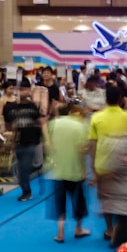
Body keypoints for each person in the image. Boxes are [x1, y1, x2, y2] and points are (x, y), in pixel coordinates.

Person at [89, 85, 127, 240]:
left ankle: (109, 229)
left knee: (106, 199)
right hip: (124, 165)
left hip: (103, 164)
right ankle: (120, 227)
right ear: (121, 99)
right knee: (123, 198)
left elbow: (92, 144)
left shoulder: (96, 117)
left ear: (105, 99)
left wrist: (93, 167)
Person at [47, 103, 91, 243]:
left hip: (58, 170)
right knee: (78, 200)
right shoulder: (80, 125)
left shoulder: (52, 124)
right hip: (74, 170)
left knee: (60, 202)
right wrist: (84, 170)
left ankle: (60, 233)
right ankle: (78, 229)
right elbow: (82, 150)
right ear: (72, 112)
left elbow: (48, 146)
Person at [4, 83, 44, 202]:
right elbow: (8, 125)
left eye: (24, 89)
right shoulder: (9, 107)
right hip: (18, 141)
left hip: (32, 140)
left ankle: (27, 192)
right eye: (19, 89)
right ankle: (26, 188)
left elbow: (41, 121)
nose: (22, 92)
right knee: (23, 167)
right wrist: (10, 140)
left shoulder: (33, 106)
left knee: (27, 167)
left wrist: (44, 137)